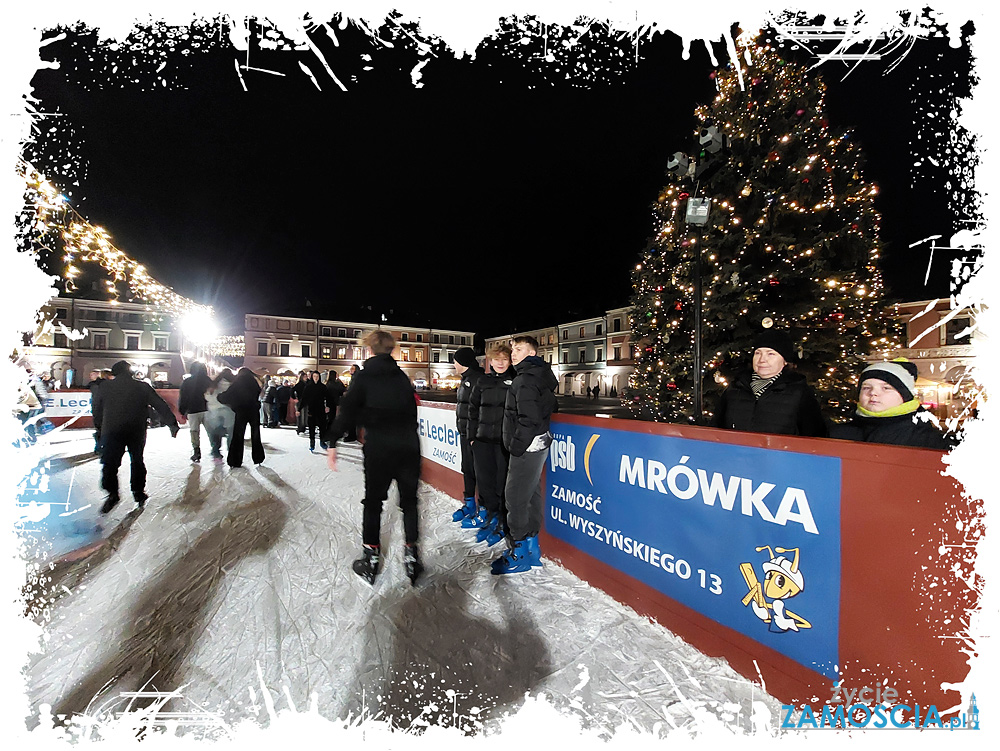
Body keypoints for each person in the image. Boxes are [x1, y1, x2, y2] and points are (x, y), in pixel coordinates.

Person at [325, 331, 422, 586]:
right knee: (409, 501)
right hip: (408, 447)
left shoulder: (365, 376)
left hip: (380, 447)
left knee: (373, 501)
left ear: (369, 349)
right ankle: (412, 555)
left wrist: (333, 440)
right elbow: (412, 413)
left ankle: (370, 557)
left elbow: (347, 410)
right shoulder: (401, 377)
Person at [492, 335, 558, 575]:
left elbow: (528, 418)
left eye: (518, 350)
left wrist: (515, 445)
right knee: (531, 495)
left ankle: (519, 552)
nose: (513, 354)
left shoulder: (525, 381)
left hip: (527, 447)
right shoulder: (538, 376)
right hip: (538, 444)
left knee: (515, 498)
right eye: (513, 350)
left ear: (531, 353)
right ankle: (532, 548)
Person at [92, 360, 179, 513]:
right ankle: (138, 492)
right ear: (130, 372)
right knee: (137, 460)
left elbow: (97, 409)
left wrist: (99, 428)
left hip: (112, 430)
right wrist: (172, 423)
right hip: (136, 430)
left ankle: (112, 493)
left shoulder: (105, 387)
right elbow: (160, 404)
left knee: (110, 463)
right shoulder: (142, 387)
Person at [710, 329, 827, 437]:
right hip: (737, 457)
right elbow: (716, 428)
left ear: (785, 361)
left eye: (771, 354)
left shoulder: (799, 392)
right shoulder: (735, 388)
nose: (762, 360)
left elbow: (814, 436)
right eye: (758, 353)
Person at [830, 359, 956, 450]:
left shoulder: (926, 440)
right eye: (866, 388)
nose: (873, 393)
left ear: (905, 396)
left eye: (886, 388)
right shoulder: (839, 433)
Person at [466, 342, 518, 547]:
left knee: (501, 483)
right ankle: (490, 517)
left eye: (504, 359)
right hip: (482, 439)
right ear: (490, 360)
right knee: (485, 482)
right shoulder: (482, 381)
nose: (500, 363)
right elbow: (472, 410)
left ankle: (501, 521)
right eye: (497, 359)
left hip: (503, 442)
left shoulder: (514, 381)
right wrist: (472, 436)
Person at [451, 346, 485, 524]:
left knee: (478, 471)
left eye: (455, 360)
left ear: (461, 362)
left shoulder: (477, 379)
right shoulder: (466, 379)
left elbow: (479, 409)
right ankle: (470, 503)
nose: (453, 364)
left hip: (475, 436)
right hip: (465, 432)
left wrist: (474, 434)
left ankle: (484, 510)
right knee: (467, 468)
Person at [218, 368, 266, 468]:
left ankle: (235, 460)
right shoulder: (254, 382)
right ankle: (258, 457)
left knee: (238, 436)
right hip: (254, 411)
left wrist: (219, 397)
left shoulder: (238, 382)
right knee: (256, 435)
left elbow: (227, 395)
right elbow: (258, 393)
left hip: (241, 411)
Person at [178, 361, 213, 462]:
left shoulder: (187, 382)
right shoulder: (208, 381)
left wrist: (182, 410)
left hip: (193, 410)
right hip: (207, 408)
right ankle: (215, 449)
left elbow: (183, 396)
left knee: (194, 431)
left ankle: (196, 451)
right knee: (211, 430)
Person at [204, 368, 236, 461]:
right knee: (231, 434)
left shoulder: (213, 385)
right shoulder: (232, 385)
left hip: (214, 411)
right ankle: (231, 452)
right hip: (229, 411)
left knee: (214, 432)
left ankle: (216, 450)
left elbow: (207, 397)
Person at [301, 370, 332, 452]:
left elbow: (328, 397)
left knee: (322, 427)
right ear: (312, 377)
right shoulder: (308, 387)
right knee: (311, 428)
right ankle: (312, 443)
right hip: (311, 410)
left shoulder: (323, 387)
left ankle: (322, 441)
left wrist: (327, 406)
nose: (316, 378)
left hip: (321, 409)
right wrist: (299, 408)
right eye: (314, 376)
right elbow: (304, 398)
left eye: (317, 377)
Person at [86, 369, 106, 454]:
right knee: (99, 428)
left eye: (92, 375)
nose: (90, 377)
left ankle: (100, 446)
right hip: (98, 408)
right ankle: (100, 446)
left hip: (100, 409)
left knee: (101, 428)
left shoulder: (101, 384)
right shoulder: (92, 384)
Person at [343, 364, 361, 442]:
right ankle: (351, 434)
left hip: (354, 402)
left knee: (351, 419)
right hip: (354, 402)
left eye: (352, 369)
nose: (350, 370)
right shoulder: (355, 378)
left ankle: (352, 435)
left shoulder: (356, 378)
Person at [292, 371, 309, 435]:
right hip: (300, 401)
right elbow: (292, 390)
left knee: (304, 415)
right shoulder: (299, 384)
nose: (306, 378)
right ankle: (300, 428)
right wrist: (294, 398)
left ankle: (303, 427)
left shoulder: (306, 383)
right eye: (305, 376)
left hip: (305, 401)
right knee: (300, 415)